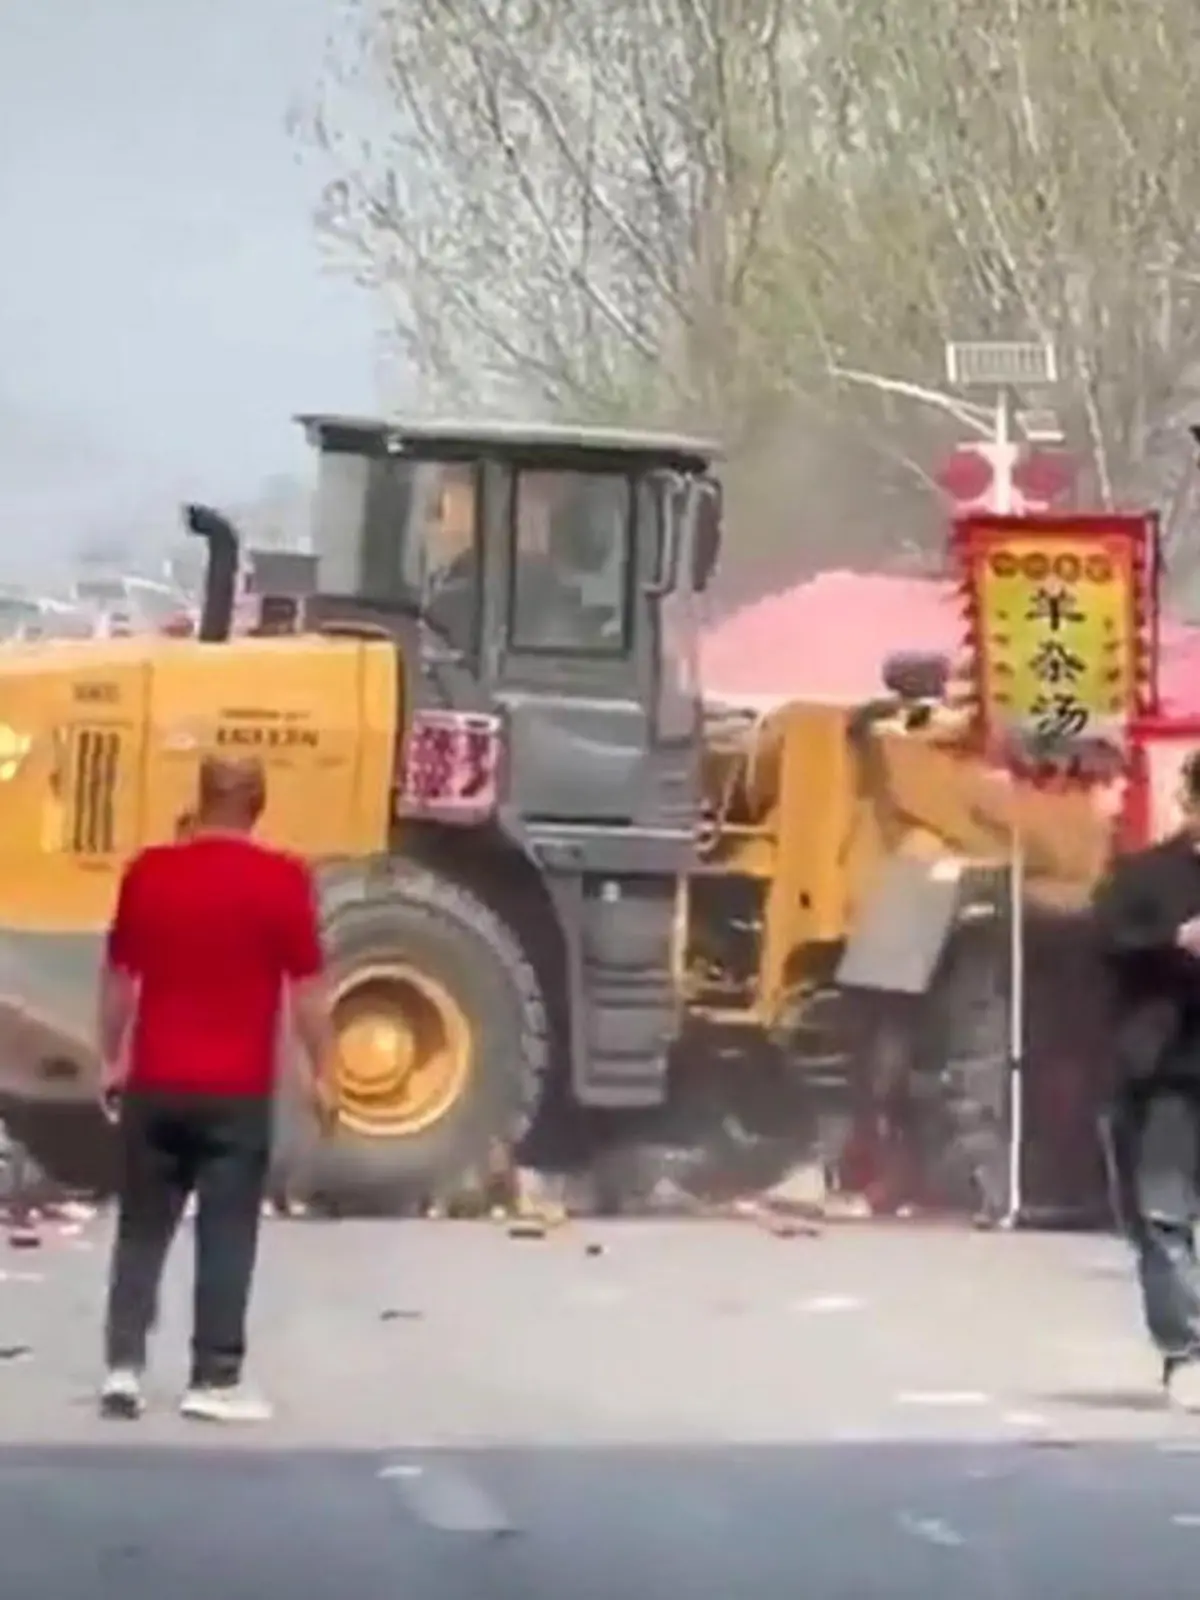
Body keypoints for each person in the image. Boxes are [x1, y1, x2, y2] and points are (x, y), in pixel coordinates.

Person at [97, 754, 338, 1422]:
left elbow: (120, 977)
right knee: (227, 1231)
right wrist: (324, 1069)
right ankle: (214, 1376)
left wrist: (111, 1058)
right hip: (235, 1092)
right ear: (258, 804)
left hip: (156, 1082)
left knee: (143, 1228)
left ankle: (123, 1368)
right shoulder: (282, 881)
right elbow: (310, 991)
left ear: (200, 799)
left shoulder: (149, 874)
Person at [1093, 749, 1200, 1409]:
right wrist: (1174, 940)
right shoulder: (1146, 876)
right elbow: (1107, 941)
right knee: (1164, 1215)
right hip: (1168, 1071)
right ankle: (1186, 1348)